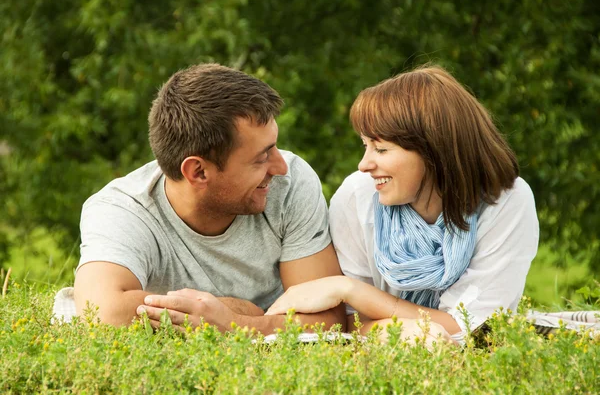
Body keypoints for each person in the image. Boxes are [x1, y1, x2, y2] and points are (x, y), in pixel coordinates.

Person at [266, 65, 539, 344]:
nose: (364, 165)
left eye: (381, 149)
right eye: (365, 146)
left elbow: (476, 328)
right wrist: (412, 330)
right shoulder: (357, 195)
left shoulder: (506, 201)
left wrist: (350, 289)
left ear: (435, 150)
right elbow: (350, 324)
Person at [64, 63, 346, 333]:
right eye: (262, 158)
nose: (280, 166)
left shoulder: (290, 183)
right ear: (198, 172)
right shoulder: (122, 210)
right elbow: (103, 313)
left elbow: (330, 320)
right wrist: (243, 312)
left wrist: (237, 323)